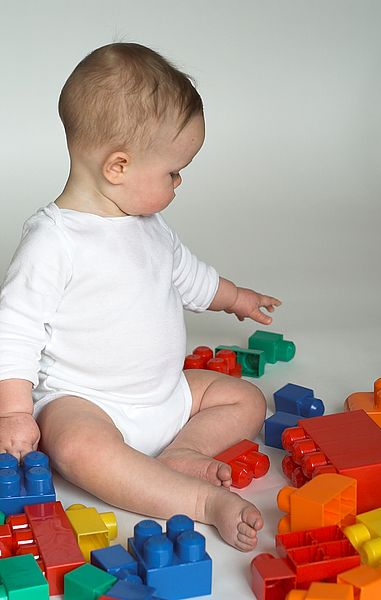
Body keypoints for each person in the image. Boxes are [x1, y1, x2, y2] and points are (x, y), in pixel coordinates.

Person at [0, 43, 282, 551]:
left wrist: (235, 296)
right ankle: (197, 501)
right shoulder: (54, 240)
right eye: (173, 171)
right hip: (88, 402)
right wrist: (15, 413)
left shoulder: (150, 226)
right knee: (77, 447)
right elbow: (15, 328)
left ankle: (183, 451)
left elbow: (189, 277)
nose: (180, 181)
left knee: (246, 399)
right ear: (119, 167)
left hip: (166, 394)